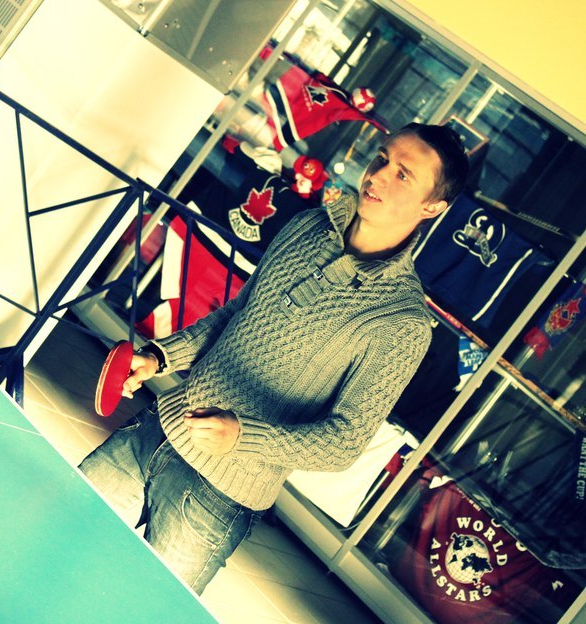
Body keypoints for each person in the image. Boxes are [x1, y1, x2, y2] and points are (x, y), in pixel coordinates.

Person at [79, 123, 469, 594]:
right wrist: (160, 357)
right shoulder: (307, 227)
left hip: (219, 496)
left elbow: (344, 442)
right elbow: (237, 314)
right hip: (156, 429)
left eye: (403, 174)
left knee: (145, 605)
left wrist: (244, 436)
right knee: (59, 535)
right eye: (382, 158)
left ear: (433, 207)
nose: (379, 175)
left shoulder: (402, 321)